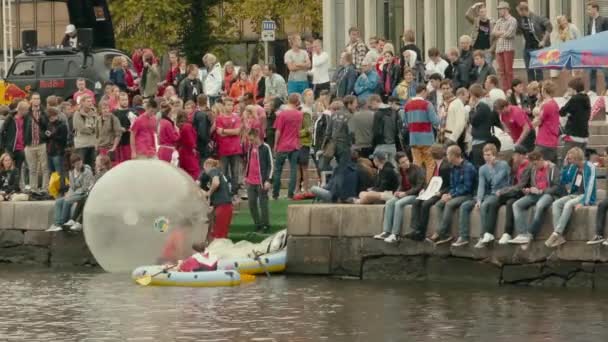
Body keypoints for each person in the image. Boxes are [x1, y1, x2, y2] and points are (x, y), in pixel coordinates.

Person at [453, 144, 511, 248]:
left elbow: (495, 181)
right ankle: (477, 236)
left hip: (503, 193)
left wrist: (491, 167)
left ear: (495, 155)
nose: (486, 157)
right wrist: (479, 199)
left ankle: (484, 235)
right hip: (491, 194)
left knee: (485, 205)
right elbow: (481, 186)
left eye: (489, 155)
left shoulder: (503, 165)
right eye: (485, 155)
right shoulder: (482, 169)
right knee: (477, 205)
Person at [545, 147, 597, 248]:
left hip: (585, 196)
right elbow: (564, 181)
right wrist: (565, 167)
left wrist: (583, 202)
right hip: (574, 194)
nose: (569, 161)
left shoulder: (590, 167)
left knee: (568, 204)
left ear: (577, 158)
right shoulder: (573, 167)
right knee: (556, 204)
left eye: (570, 159)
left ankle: (556, 233)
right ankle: (559, 237)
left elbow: (590, 186)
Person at [508, 150, 560, 245]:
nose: (534, 167)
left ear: (541, 159)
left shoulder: (553, 168)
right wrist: (529, 190)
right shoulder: (533, 169)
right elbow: (533, 184)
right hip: (535, 194)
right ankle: (522, 234)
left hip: (548, 195)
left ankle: (531, 233)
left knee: (540, 206)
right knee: (516, 205)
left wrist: (541, 191)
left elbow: (556, 187)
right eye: (533, 165)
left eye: (535, 164)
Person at [429, 145, 477, 245]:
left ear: (453, 155)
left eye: (447, 154)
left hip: (468, 195)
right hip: (456, 194)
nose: (446, 157)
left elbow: (467, 188)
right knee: (439, 204)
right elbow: (452, 185)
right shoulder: (453, 168)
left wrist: (452, 195)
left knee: (449, 204)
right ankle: (445, 235)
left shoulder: (468, 167)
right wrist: (447, 194)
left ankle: (440, 232)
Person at [373, 153, 425, 243]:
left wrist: (405, 193)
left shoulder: (417, 169)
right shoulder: (401, 170)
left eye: (407, 160)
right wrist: (398, 191)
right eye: (403, 162)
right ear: (399, 164)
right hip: (404, 193)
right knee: (389, 202)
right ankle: (386, 231)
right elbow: (402, 184)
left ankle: (395, 234)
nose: (406, 163)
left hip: (415, 195)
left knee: (398, 204)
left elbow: (419, 187)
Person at [404, 145, 451, 241]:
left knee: (426, 204)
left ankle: (421, 231)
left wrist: (441, 192)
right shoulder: (435, 165)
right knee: (417, 201)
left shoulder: (445, 167)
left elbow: (449, 184)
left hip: (440, 192)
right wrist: (424, 189)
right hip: (433, 190)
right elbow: (432, 181)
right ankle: (415, 229)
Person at [62, 154, 112, 231]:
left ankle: (79, 222)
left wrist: (90, 189)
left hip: (102, 197)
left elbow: (97, 186)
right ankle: (73, 220)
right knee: (83, 200)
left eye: (97, 160)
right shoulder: (100, 172)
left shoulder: (104, 173)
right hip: (95, 194)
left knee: (85, 200)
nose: (95, 162)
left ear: (102, 163)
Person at [46, 154, 94, 232]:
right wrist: (69, 193)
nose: (79, 164)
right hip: (75, 193)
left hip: (83, 194)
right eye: (77, 163)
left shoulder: (87, 171)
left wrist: (72, 195)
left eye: (80, 162)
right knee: (58, 202)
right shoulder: (71, 172)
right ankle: (57, 224)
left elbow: (85, 188)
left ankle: (62, 223)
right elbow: (72, 186)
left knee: (67, 200)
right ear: (73, 164)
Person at [403, 85, 440, 182]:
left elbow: (406, 124)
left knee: (416, 163)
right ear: (423, 91)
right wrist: (442, 117)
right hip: (427, 138)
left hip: (413, 139)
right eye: (427, 92)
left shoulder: (407, 105)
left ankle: (417, 184)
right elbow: (435, 121)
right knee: (430, 163)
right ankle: (427, 185)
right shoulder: (427, 104)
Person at [272, 94, 303, 200]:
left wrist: (275, 145)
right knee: (293, 169)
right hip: (295, 144)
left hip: (283, 145)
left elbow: (278, 131)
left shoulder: (282, 114)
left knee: (278, 170)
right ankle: (290, 194)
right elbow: (299, 130)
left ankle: (275, 194)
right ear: (297, 102)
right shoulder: (299, 114)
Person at [515, 1, 552, 82]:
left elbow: (549, 27)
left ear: (523, 10)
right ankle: (532, 89)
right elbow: (516, 30)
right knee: (529, 70)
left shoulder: (537, 18)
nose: (519, 14)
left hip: (537, 47)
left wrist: (543, 41)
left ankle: (540, 88)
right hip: (527, 48)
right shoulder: (522, 20)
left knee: (538, 70)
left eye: (519, 12)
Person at [244, 129, 273, 232]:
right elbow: (248, 162)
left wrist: (268, 180)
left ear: (257, 137)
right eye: (249, 140)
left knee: (263, 203)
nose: (250, 142)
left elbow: (271, 165)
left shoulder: (265, 147)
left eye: (252, 140)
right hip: (250, 180)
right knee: (251, 203)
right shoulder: (250, 148)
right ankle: (258, 224)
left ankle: (266, 225)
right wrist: (246, 175)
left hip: (262, 181)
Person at [213, 101, 243, 199]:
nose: (230, 107)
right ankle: (224, 192)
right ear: (224, 106)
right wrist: (231, 132)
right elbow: (218, 132)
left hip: (235, 149)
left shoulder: (237, 118)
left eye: (231, 105)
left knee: (235, 172)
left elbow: (237, 131)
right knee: (223, 172)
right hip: (223, 149)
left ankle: (234, 192)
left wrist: (224, 131)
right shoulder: (219, 118)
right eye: (228, 104)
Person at [199, 158, 233, 240]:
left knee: (219, 237)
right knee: (221, 235)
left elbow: (216, 183)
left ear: (208, 166)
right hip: (224, 206)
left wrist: (208, 193)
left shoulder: (213, 170)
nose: (205, 172)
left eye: (205, 169)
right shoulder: (220, 173)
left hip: (223, 206)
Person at [469, 84, 502, 168]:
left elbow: (473, 121)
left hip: (480, 140)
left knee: (480, 166)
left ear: (472, 95)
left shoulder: (482, 106)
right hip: (483, 138)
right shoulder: (486, 105)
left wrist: (472, 109)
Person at [560, 78, 591, 158]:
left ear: (574, 88)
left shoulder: (575, 99)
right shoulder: (586, 98)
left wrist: (565, 99)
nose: (568, 90)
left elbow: (562, 112)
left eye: (569, 88)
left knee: (566, 160)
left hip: (573, 136)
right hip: (584, 136)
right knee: (579, 162)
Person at [24, 93, 49, 191]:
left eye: (38, 98)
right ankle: (33, 189)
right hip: (30, 145)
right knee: (32, 169)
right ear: (31, 100)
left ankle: (45, 189)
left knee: (45, 168)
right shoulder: (27, 113)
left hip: (42, 144)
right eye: (34, 99)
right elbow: (22, 128)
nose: (36, 100)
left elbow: (48, 127)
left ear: (40, 100)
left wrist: (46, 138)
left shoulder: (44, 112)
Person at [533, 80, 560, 163]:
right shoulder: (554, 103)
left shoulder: (547, 105)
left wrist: (531, 124)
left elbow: (538, 121)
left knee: (537, 164)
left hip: (544, 141)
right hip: (552, 141)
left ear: (544, 90)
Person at [370, 94, 401, 167]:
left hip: (381, 144)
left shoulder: (378, 114)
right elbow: (397, 129)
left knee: (382, 167)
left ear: (374, 102)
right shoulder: (394, 112)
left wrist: (373, 144)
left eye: (371, 104)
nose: (371, 107)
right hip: (393, 145)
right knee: (394, 167)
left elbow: (376, 132)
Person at [493, 1, 518, 91]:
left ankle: (511, 89)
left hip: (508, 48)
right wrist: (502, 32)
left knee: (508, 71)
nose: (499, 11)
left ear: (506, 9)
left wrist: (500, 33)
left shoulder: (512, 20)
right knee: (501, 71)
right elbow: (494, 32)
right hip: (499, 48)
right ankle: (504, 89)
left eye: (500, 9)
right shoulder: (499, 21)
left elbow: (509, 34)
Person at [0, 101, 27, 176]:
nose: (26, 112)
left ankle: (16, 185)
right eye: (25, 110)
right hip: (10, 146)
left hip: (21, 147)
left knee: (18, 168)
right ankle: (5, 183)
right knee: (7, 166)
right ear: (21, 110)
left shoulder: (26, 119)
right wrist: (3, 145)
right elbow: (2, 131)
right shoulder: (10, 118)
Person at [46, 107, 69, 195]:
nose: (51, 118)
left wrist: (52, 136)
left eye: (53, 116)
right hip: (50, 151)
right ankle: (54, 190)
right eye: (50, 117)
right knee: (52, 173)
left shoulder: (62, 125)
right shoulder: (49, 125)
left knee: (59, 172)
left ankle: (62, 189)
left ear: (56, 116)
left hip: (58, 152)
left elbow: (63, 139)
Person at [551, 15, 581, 80]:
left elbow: (579, 38)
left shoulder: (572, 27)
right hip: (566, 53)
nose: (565, 22)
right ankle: (570, 85)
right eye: (563, 21)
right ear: (559, 23)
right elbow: (558, 43)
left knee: (575, 72)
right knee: (567, 71)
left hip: (574, 52)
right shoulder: (558, 31)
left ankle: (575, 85)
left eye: (565, 20)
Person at [587, 1, 608, 92]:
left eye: (589, 9)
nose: (588, 11)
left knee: (605, 71)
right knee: (592, 71)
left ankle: (607, 90)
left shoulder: (604, 20)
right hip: (592, 50)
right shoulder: (590, 22)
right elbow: (589, 35)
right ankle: (592, 91)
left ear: (595, 9)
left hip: (602, 50)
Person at [112, 92, 136, 164]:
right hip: (118, 143)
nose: (125, 102)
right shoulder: (115, 113)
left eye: (126, 100)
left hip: (128, 142)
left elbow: (135, 126)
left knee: (128, 163)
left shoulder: (133, 112)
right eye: (123, 100)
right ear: (119, 101)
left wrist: (127, 129)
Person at [297, 90, 313, 194]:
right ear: (304, 97)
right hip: (302, 142)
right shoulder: (302, 110)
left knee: (303, 166)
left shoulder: (312, 109)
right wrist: (307, 131)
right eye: (309, 95)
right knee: (301, 167)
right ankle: (300, 189)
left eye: (312, 95)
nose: (311, 97)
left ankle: (303, 188)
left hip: (307, 142)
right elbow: (298, 130)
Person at [192, 94, 212, 167]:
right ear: (206, 102)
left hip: (198, 143)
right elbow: (202, 132)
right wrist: (208, 142)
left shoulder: (196, 113)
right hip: (202, 145)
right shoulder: (202, 115)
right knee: (204, 166)